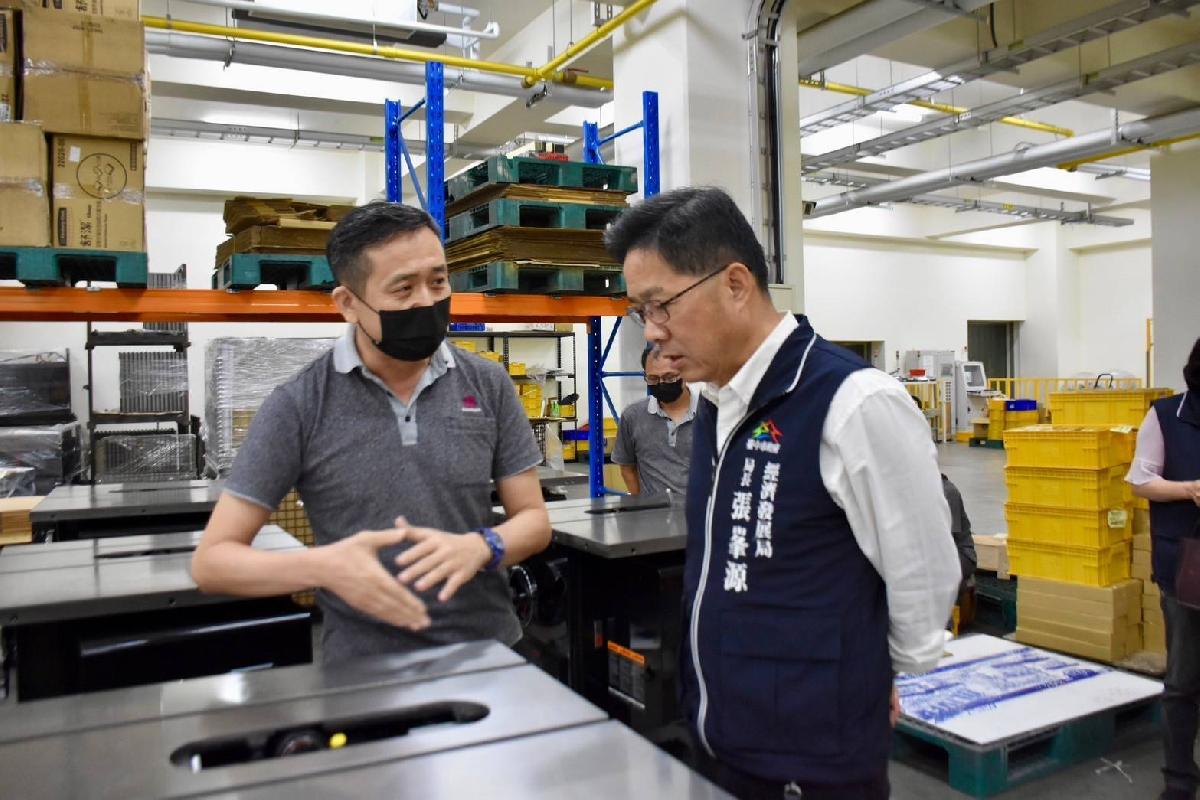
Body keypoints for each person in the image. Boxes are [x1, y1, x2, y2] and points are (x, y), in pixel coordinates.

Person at [605, 186, 960, 800]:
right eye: (641, 311)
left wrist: (878, 674)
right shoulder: (717, 403)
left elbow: (922, 573)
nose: (653, 332)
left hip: (811, 759)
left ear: (735, 284)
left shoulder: (854, 404)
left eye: (661, 305)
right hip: (722, 737)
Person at [192, 201, 551, 663]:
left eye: (438, 281)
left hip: (490, 654)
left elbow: (533, 521)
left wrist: (483, 546)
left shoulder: (487, 384)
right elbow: (213, 562)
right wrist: (323, 567)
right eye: (403, 288)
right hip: (363, 669)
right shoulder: (300, 404)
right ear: (348, 304)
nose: (426, 301)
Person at [1127, 336, 1200, 800]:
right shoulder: (1167, 416)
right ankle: (1179, 777)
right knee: (1184, 678)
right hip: (1186, 568)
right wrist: (1190, 489)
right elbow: (1140, 480)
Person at [612, 346, 698, 496]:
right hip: (652, 510)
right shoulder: (632, 417)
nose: (661, 383)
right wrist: (641, 503)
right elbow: (627, 468)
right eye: (653, 378)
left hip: (701, 509)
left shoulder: (713, 414)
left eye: (669, 377)